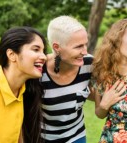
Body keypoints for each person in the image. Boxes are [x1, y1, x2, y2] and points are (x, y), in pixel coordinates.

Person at [0, 26, 47, 143]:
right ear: (12, 55)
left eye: (43, 51)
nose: (44, 56)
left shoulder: (21, 88)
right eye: (36, 49)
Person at [40, 15, 93, 143]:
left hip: (77, 136)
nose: (85, 52)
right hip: (44, 138)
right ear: (57, 47)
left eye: (85, 44)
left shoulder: (89, 64)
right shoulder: (38, 70)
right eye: (78, 46)